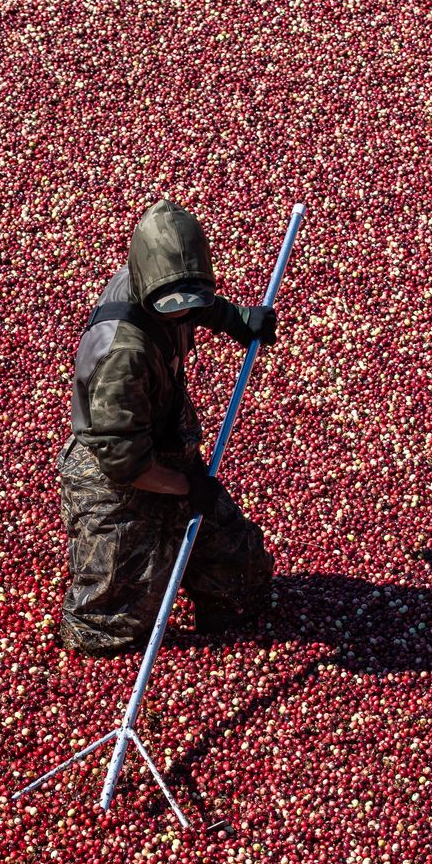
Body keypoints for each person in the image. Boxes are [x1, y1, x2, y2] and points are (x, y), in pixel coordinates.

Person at [58, 200, 277, 657]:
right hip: (112, 474)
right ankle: (106, 640)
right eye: (173, 303)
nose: (184, 311)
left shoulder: (166, 286)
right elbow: (123, 460)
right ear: (144, 283)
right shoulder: (122, 354)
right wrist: (184, 487)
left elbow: (188, 299)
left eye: (193, 297)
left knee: (239, 573)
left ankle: (224, 620)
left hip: (165, 441)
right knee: (113, 614)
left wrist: (235, 318)